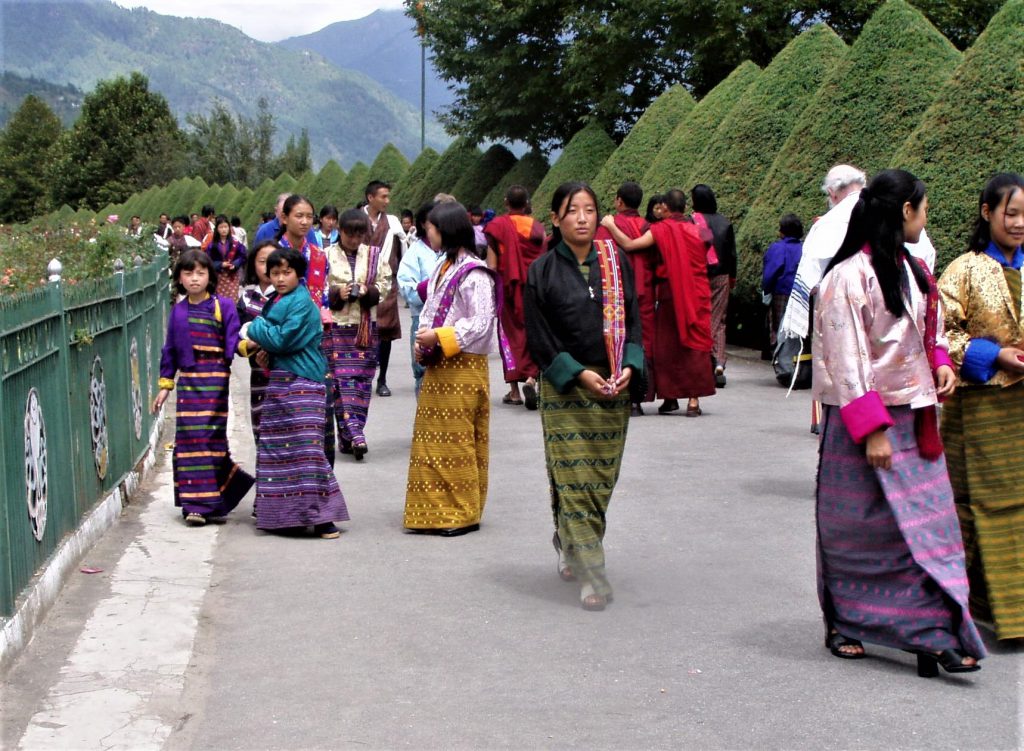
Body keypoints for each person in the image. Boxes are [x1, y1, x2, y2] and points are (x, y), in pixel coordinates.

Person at [813, 168, 984, 676]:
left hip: (916, 420)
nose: (926, 217)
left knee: (930, 530)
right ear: (905, 211)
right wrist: (874, 429)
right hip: (864, 424)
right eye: (924, 208)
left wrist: (942, 365)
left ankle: (933, 632)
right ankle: (846, 621)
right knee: (857, 532)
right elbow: (847, 358)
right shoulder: (847, 277)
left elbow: (929, 330)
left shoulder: (913, 269)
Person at [525, 182, 643, 611]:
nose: (581, 217)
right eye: (572, 210)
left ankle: (569, 541)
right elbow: (539, 337)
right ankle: (593, 577)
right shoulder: (541, 272)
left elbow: (633, 317)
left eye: (589, 210)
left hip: (613, 388)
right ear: (555, 219)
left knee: (598, 482)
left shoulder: (617, 262)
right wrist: (576, 373)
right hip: (566, 391)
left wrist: (631, 363)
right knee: (574, 480)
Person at [938, 172, 1024, 641]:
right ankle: (980, 607)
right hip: (982, 410)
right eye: (1011, 214)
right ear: (987, 213)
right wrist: (994, 356)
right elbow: (942, 333)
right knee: (977, 507)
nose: (1019, 224)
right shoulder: (963, 270)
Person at [403, 202, 506, 537]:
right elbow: (433, 309)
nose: (426, 234)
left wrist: (439, 336)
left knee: (458, 441)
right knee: (433, 440)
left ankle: (462, 513)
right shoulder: (443, 266)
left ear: (445, 229)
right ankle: (433, 512)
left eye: (430, 228)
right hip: (442, 364)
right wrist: (425, 342)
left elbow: (480, 324)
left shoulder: (475, 273)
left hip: (463, 368)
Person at [242, 246, 349, 539]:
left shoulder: (301, 302)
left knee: (307, 450)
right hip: (281, 382)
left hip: (303, 383)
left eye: (286, 272)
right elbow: (275, 343)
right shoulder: (281, 300)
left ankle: (324, 518)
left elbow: (283, 339)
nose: (279, 278)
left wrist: (254, 327)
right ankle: (287, 517)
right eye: (274, 272)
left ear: (298, 273)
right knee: (280, 451)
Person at [151, 250, 254, 526]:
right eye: (188, 273)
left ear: (210, 276)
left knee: (211, 440)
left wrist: (249, 346)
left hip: (216, 381)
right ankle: (195, 506)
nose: (194, 279)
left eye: (200, 273)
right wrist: (165, 385)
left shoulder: (224, 306)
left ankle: (216, 501)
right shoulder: (178, 312)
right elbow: (170, 350)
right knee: (190, 442)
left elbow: (233, 340)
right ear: (179, 279)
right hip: (189, 383)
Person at [601, 188, 715, 417]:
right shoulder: (699, 230)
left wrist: (611, 226)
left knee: (666, 346)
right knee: (695, 342)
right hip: (697, 292)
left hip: (670, 291)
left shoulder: (660, 230)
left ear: (664, 208)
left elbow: (631, 245)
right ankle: (692, 401)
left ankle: (670, 396)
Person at [324, 209, 392, 460]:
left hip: (365, 328)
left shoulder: (374, 255)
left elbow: (386, 283)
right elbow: (318, 287)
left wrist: (368, 291)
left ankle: (351, 433)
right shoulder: (326, 255)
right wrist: (336, 294)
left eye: (359, 234)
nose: (354, 239)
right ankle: (355, 434)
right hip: (336, 327)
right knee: (341, 383)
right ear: (339, 231)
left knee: (362, 383)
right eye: (349, 234)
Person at [484, 185, 547, 409]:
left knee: (508, 337)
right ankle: (532, 377)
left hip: (507, 288)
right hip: (534, 289)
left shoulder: (496, 227)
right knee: (532, 334)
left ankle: (514, 392)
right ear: (527, 203)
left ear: (506, 202)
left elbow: (491, 265)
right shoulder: (537, 227)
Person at [597, 181, 651, 415]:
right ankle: (637, 398)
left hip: (614, 292)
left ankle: (613, 390)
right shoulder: (648, 226)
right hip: (644, 291)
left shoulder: (609, 225)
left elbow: (597, 255)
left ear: (619, 201)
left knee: (614, 341)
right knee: (640, 342)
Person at [363, 180, 406, 397]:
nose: (387, 201)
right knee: (362, 331)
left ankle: (382, 379)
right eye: (383, 197)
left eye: (388, 196)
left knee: (385, 332)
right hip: (362, 282)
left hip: (387, 283)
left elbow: (401, 249)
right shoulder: (357, 219)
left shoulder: (392, 223)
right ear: (370, 197)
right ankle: (362, 376)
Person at [691, 185, 736, 388]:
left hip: (699, 275)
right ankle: (718, 361)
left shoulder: (693, 220)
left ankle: (704, 360)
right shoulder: (725, 222)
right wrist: (732, 277)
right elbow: (732, 253)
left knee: (701, 317)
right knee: (719, 320)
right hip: (722, 275)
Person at [396, 200, 442, 394]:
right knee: (424, 372)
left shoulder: (451, 250)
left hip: (450, 323)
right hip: (423, 320)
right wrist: (432, 287)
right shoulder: (415, 252)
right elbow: (406, 287)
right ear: (424, 224)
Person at [237, 240, 278, 444]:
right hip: (259, 375)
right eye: (262, 261)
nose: (268, 267)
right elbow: (237, 334)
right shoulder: (246, 298)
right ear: (253, 264)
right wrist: (249, 345)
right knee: (261, 429)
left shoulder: (288, 296)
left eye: (273, 261)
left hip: (286, 373)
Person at [762, 213, 804, 350]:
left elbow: (771, 272)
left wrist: (766, 290)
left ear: (783, 231)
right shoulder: (805, 248)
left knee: (779, 326)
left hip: (781, 291)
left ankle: (780, 355)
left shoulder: (778, 248)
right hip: (802, 293)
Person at [203, 214, 247, 300]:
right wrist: (220, 264)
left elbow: (243, 255)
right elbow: (207, 261)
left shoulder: (235, 242)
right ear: (217, 229)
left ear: (229, 228)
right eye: (221, 227)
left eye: (225, 227)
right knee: (219, 299)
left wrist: (235, 264)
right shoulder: (212, 245)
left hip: (232, 276)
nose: (224, 230)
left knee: (233, 299)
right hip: (218, 277)